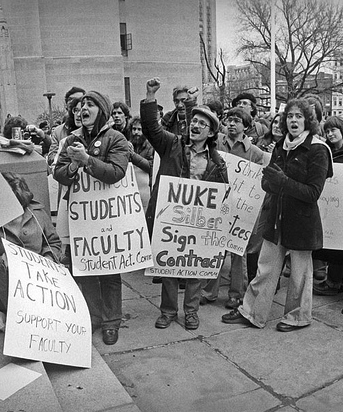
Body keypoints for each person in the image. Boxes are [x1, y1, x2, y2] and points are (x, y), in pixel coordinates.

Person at [222, 98, 332, 332]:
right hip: (276, 217)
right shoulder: (282, 146)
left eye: (299, 116)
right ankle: (252, 312)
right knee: (266, 269)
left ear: (308, 121)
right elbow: (267, 181)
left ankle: (297, 317)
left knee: (300, 275)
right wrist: (269, 183)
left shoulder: (318, 150)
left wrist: (282, 182)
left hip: (302, 220)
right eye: (290, 116)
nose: (293, 120)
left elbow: (313, 193)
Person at [140, 78, 228, 331]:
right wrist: (150, 96)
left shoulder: (217, 162)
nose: (196, 125)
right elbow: (151, 129)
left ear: (211, 133)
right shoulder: (172, 145)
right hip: (171, 218)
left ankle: (191, 311)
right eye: (195, 121)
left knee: (194, 268)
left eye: (203, 123)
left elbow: (222, 193)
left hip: (198, 222)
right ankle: (168, 311)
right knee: (168, 265)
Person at [53, 90, 132, 344]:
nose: (82, 110)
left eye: (89, 105)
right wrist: (74, 165)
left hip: (106, 218)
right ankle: (93, 316)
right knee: (83, 268)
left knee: (108, 270)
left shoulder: (115, 138)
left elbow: (116, 172)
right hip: (80, 218)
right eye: (80, 106)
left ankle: (111, 322)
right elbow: (59, 174)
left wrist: (87, 160)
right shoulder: (70, 140)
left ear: (102, 110)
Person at [0, 173, 62, 337]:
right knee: (7, 258)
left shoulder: (37, 213)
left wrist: (48, 260)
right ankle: (29, 323)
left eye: (20, 205)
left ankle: (30, 322)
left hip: (34, 280)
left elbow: (54, 243)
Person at [201, 106, 266, 309]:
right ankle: (209, 291)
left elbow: (258, 184)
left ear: (246, 126)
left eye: (236, 120)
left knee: (238, 253)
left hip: (241, 208)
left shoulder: (255, 153)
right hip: (218, 204)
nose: (231, 123)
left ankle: (236, 294)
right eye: (229, 120)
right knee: (215, 249)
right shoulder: (216, 144)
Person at [312, 116, 343, 296]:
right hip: (329, 204)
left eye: (334, 130)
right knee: (331, 244)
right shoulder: (326, 151)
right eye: (327, 131)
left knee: (342, 244)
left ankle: (336, 282)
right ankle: (333, 280)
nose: (330, 134)